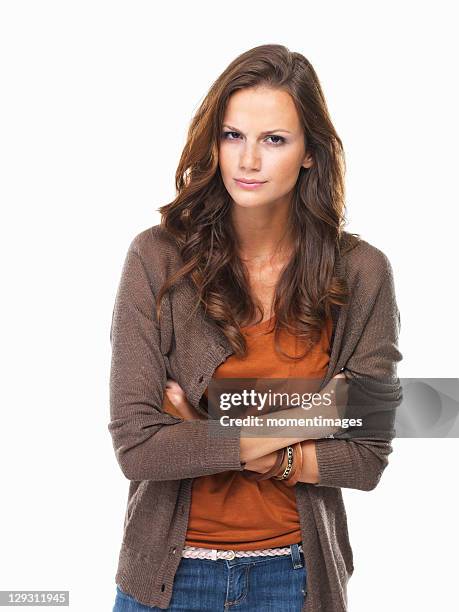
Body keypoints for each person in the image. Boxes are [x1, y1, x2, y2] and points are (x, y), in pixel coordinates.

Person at [109, 44, 402, 612]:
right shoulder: (157, 258)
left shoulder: (362, 272)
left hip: (295, 577)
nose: (247, 160)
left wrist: (211, 433)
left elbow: (365, 458)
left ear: (311, 153)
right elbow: (139, 445)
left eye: (274, 139)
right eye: (232, 135)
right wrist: (308, 418)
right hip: (167, 581)